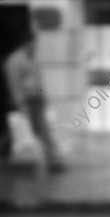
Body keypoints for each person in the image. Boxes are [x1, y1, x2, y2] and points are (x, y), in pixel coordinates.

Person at [4, 37, 65, 172]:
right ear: (25, 43)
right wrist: (20, 104)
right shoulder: (15, 61)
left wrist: (44, 96)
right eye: (32, 44)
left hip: (36, 99)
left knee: (41, 130)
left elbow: (39, 80)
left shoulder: (33, 59)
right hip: (26, 101)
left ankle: (52, 159)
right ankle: (42, 160)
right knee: (25, 131)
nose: (34, 47)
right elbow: (14, 84)